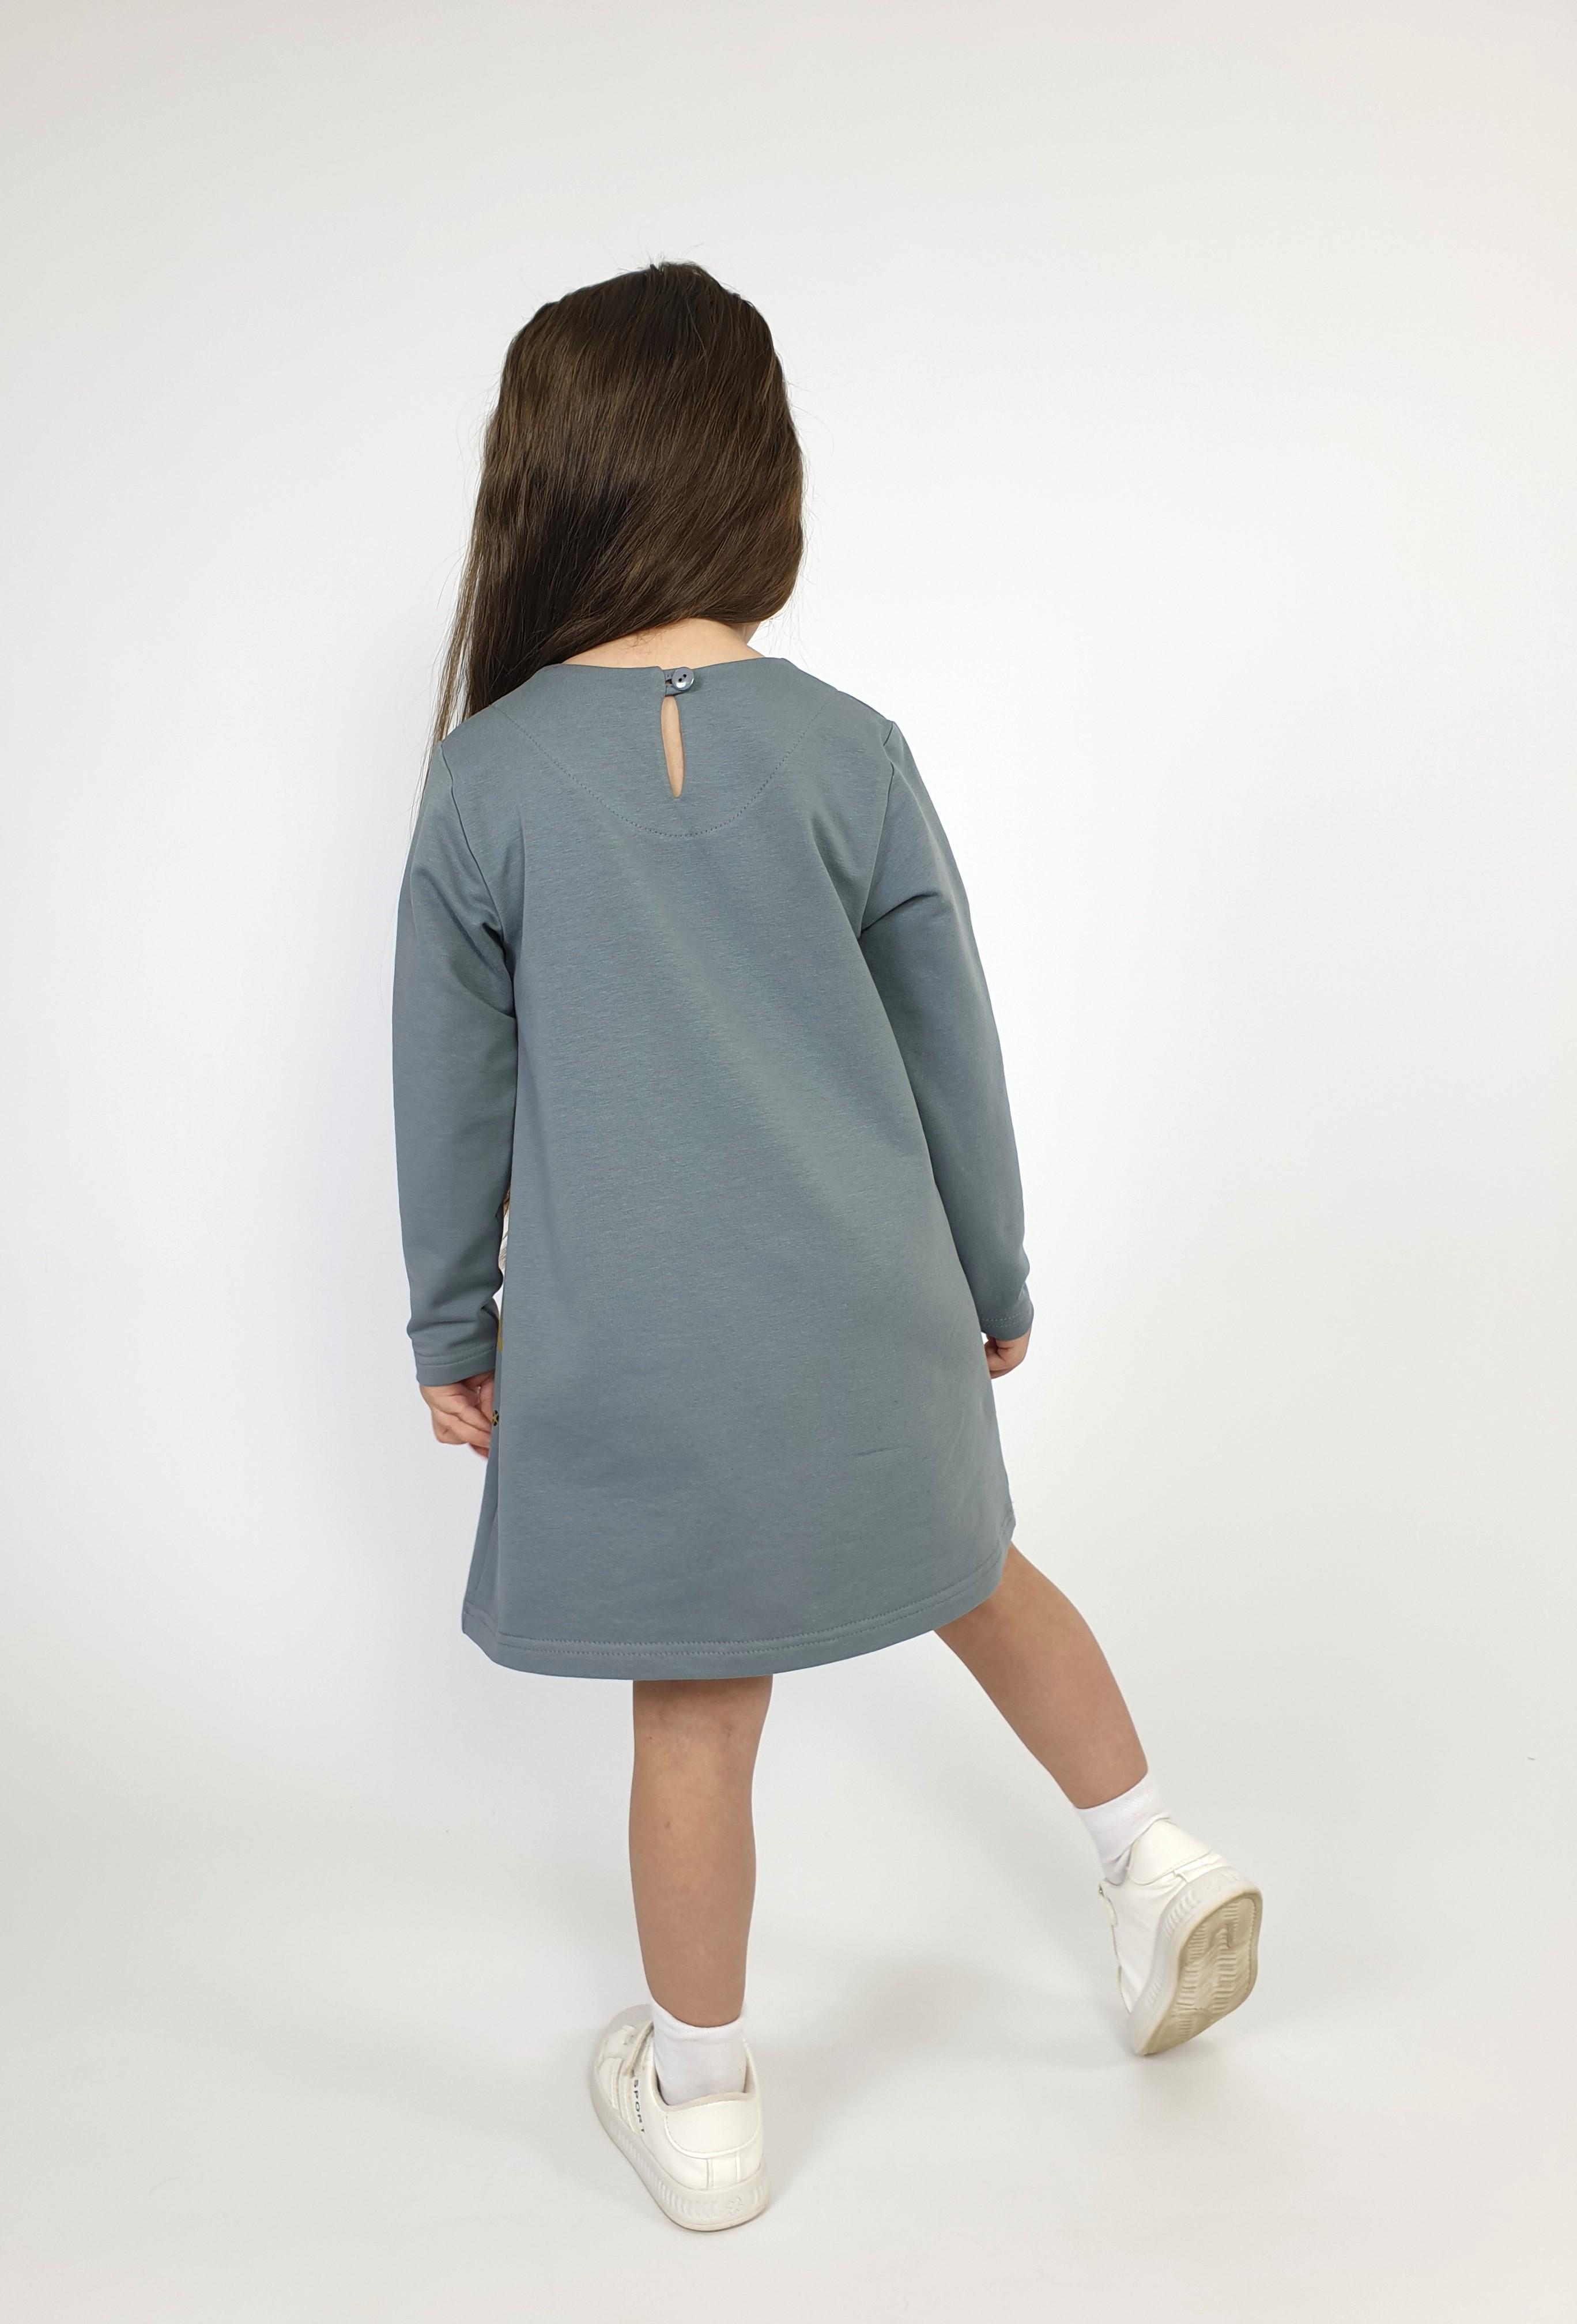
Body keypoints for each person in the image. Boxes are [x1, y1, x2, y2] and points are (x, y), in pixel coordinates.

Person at [392, 259, 1261, 2234]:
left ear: (543, 487)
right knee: (980, 1571)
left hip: (640, 1345)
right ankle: (1154, 1861)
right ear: (757, 477)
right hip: (877, 1309)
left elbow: (445, 1091)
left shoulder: (488, 782)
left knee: (698, 1715)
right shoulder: (851, 749)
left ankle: (703, 2105)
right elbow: (957, 1050)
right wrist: (993, 1281)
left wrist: (455, 1324)